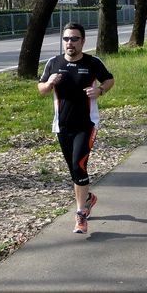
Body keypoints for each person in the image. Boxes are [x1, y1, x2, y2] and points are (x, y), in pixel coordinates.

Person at [38, 22, 114, 234]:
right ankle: (87, 197)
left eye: (74, 39)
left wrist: (100, 91)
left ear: (82, 41)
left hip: (87, 124)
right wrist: (49, 83)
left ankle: (81, 214)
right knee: (73, 169)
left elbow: (109, 80)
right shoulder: (53, 63)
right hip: (62, 126)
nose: (69, 43)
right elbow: (41, 90)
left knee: (79, 165)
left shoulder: (92, 62)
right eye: (66, 39)